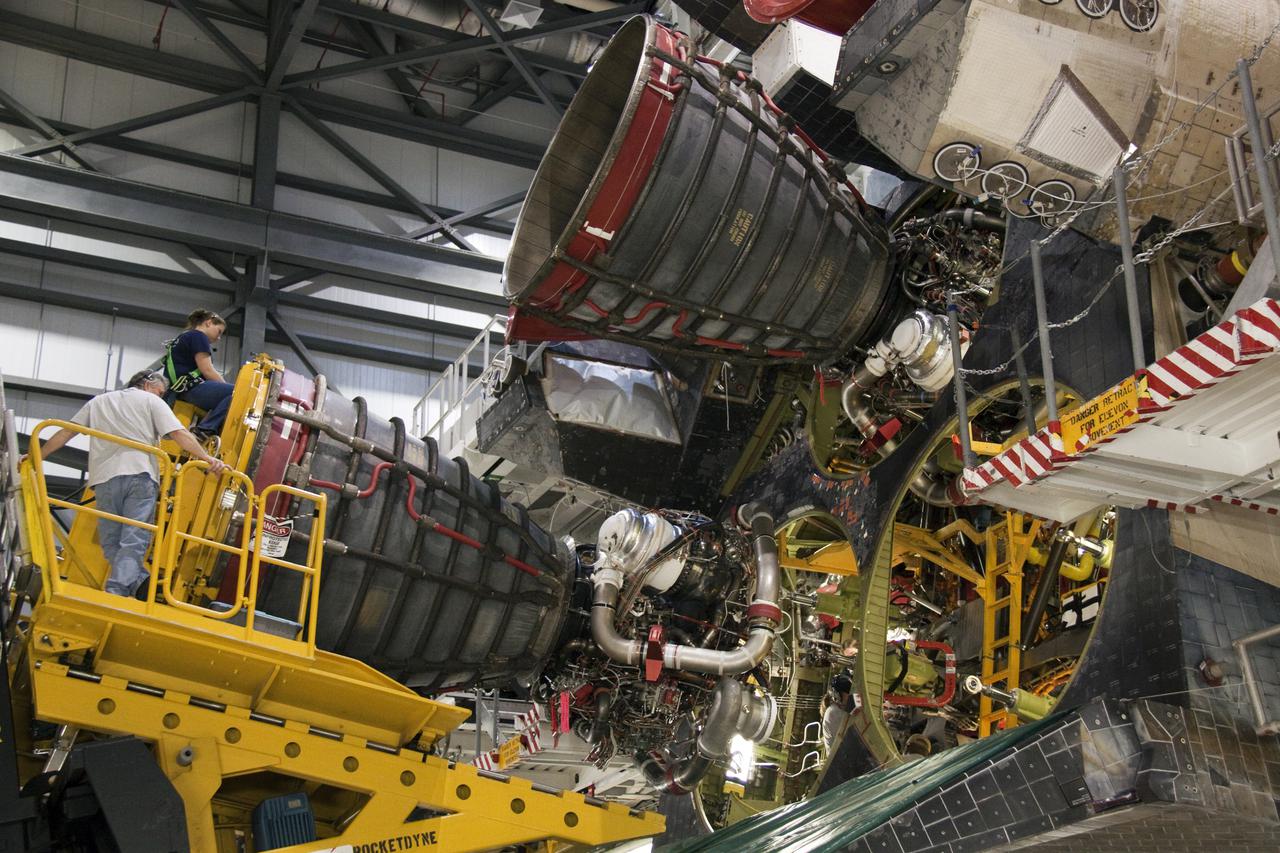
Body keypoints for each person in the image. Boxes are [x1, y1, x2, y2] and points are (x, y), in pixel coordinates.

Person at [31, 370, 227, 598]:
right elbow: (179, 433)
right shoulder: (151, 401)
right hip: (139, 474)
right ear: (147, 384)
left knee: (111, 541)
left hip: (104, 480)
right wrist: (208, 458)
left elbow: (67, 432)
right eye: (161, 392)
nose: (162, 397)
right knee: (134, 538)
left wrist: (37, 457)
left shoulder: (99, 401)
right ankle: (122, 589)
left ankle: (135, 581)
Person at [164, 309, 233, 441]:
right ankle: (205, 430)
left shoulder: (183, 337)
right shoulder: (198, 336)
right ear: (208, 323)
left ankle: (209, 428)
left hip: (179, 391)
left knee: (228, 399)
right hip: (192, 389)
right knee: (237, 393)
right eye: (219, 332)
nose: (218, 338)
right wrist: (231, 389)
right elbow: (207, 370)